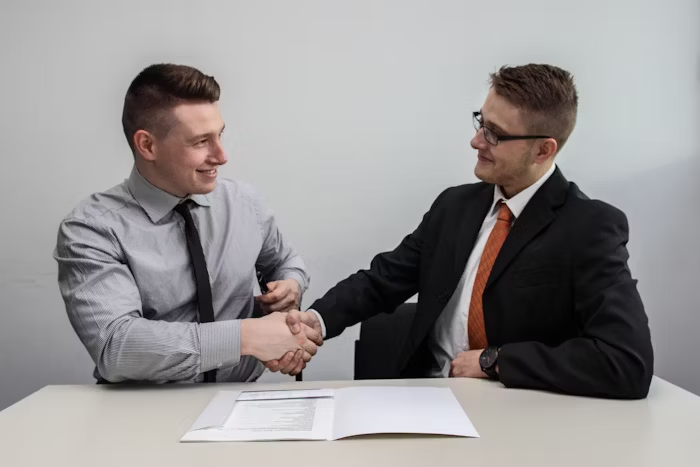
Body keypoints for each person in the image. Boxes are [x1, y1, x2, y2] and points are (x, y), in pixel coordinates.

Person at [270, 64, 654, 399]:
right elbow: (382, 280)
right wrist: (315, 321)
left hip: (521, 417)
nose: (476, 141)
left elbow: (626, 362)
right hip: (426, 400)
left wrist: (494, 360)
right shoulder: (455, 206)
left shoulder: (589, 227)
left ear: (543, 150)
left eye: (495, 134)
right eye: (480, 122)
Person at [54, 63, 319, 383]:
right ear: (147, 145)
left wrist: (289, 286)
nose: (221, 156)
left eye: (220, 135)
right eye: (200, 141)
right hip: (142, 407)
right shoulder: (91, 229)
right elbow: (117, 347)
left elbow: (285, 262)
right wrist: (246, 337)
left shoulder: (245, 203)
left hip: (242, 398)